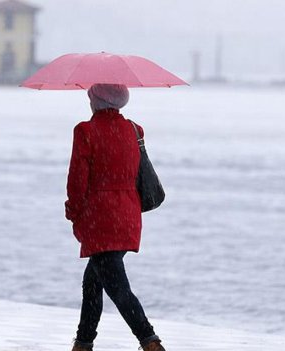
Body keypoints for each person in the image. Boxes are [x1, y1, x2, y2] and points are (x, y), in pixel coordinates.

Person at [65, 84, 165, 351]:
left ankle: (150, 341)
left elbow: (77, 181)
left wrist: (73, 212)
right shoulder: (134, 130)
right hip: (127, 217)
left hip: (100, 219)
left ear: (95, 101)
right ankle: (83, 343)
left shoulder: (85, 131)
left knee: (118, 289)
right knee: (93, 282)